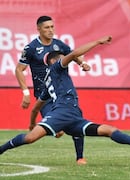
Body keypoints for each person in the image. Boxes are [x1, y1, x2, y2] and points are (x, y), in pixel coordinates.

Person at [0, 36, 130, 157]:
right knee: (30, 138)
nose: (64, 59)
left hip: (72, 116)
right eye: (61, 58)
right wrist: (97, 42)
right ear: (54, 61)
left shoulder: (49, 83)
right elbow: (74, 54)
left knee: (106, 129)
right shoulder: (57, 67)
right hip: (65, 112)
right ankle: (1, 149)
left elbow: (37, 106)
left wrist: (31, 123)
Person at [15, 16, 88, 165]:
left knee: (75, 122)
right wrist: (25, 93)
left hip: (63, 93)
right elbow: (19, 69)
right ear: (39, 29)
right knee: (57, 132)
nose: (50, 30)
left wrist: (83, 63)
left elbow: (73, 55)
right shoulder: (31, 48)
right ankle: (57, 127)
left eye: (52, 27)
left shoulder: (59, 45)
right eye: (47, 27)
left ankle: (80, 157)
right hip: (45, 95)